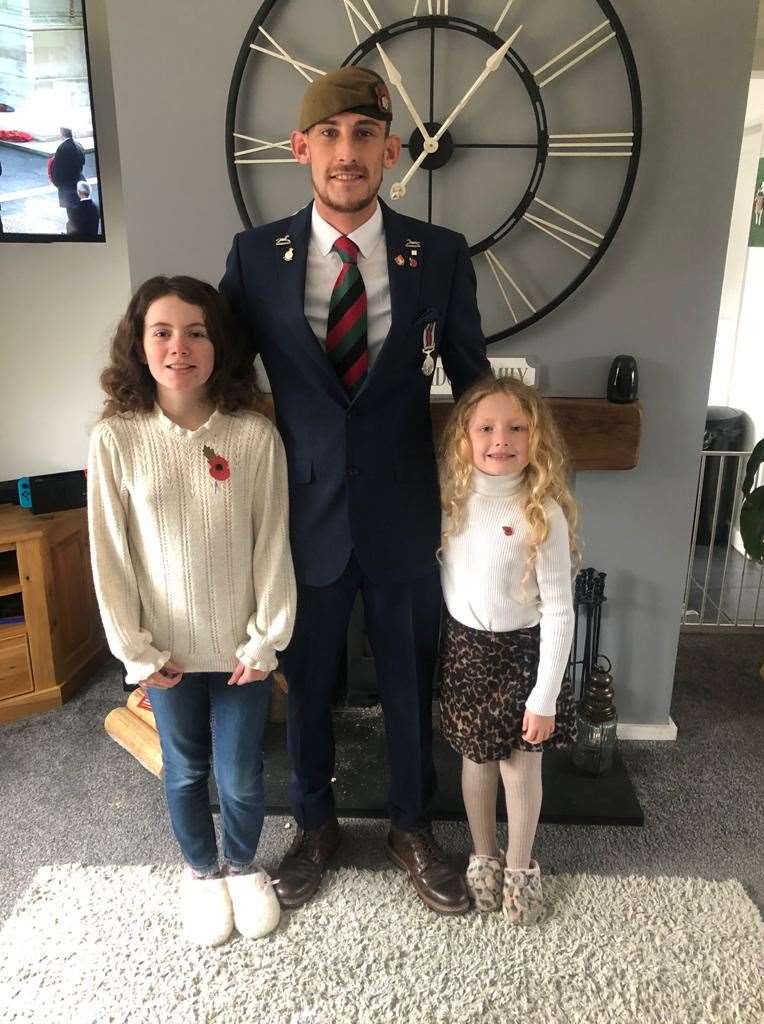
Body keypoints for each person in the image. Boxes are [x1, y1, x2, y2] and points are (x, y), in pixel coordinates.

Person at [221, 66, 490, 915]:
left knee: (412, 679)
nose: (348, 153)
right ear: (300, 149)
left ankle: (415, 828)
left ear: (392, 150)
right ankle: (315, 826)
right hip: (302, 518)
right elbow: (223, 379)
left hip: (407, 512)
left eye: (364, 135)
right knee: (306, 683)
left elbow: (476, 383)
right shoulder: (255, 258)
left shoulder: (438, 256)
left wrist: (510, 494)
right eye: (329, 135)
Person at [87, 276, 296, 946]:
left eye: (197, 331)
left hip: (239, 653)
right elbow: (110, 559)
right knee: (185, 770)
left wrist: (266, 640)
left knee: (239, 773)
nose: (181, 347)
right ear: (140, 344)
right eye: (163, 332)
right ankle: (201, 872)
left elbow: (272, 543)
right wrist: (137, 653)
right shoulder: (115, 440)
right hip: (166, 656)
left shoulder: (255, 436)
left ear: (218, 344)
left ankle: (241, 865)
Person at [437, 376, 579, 924]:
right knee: (476, 762)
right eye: (487, 427)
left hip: (524, 655)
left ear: (535, 437)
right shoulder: (450, 500)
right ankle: (483, 858)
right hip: (467, 653)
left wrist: (544, 697)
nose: (502, 439)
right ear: (466, 438)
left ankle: (520, 867)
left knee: (520, 769)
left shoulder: (543, 511)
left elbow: (562, 609)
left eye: (517, 427)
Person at [50, 127, 85, 229]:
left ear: (62, 134)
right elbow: (82, 161)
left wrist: (57, 183)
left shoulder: (63, 148)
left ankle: (74, 232)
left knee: (71, 211)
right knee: (78, 208)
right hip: (77, 180)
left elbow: (57, 169)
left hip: (67, 184)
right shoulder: (78, 145)